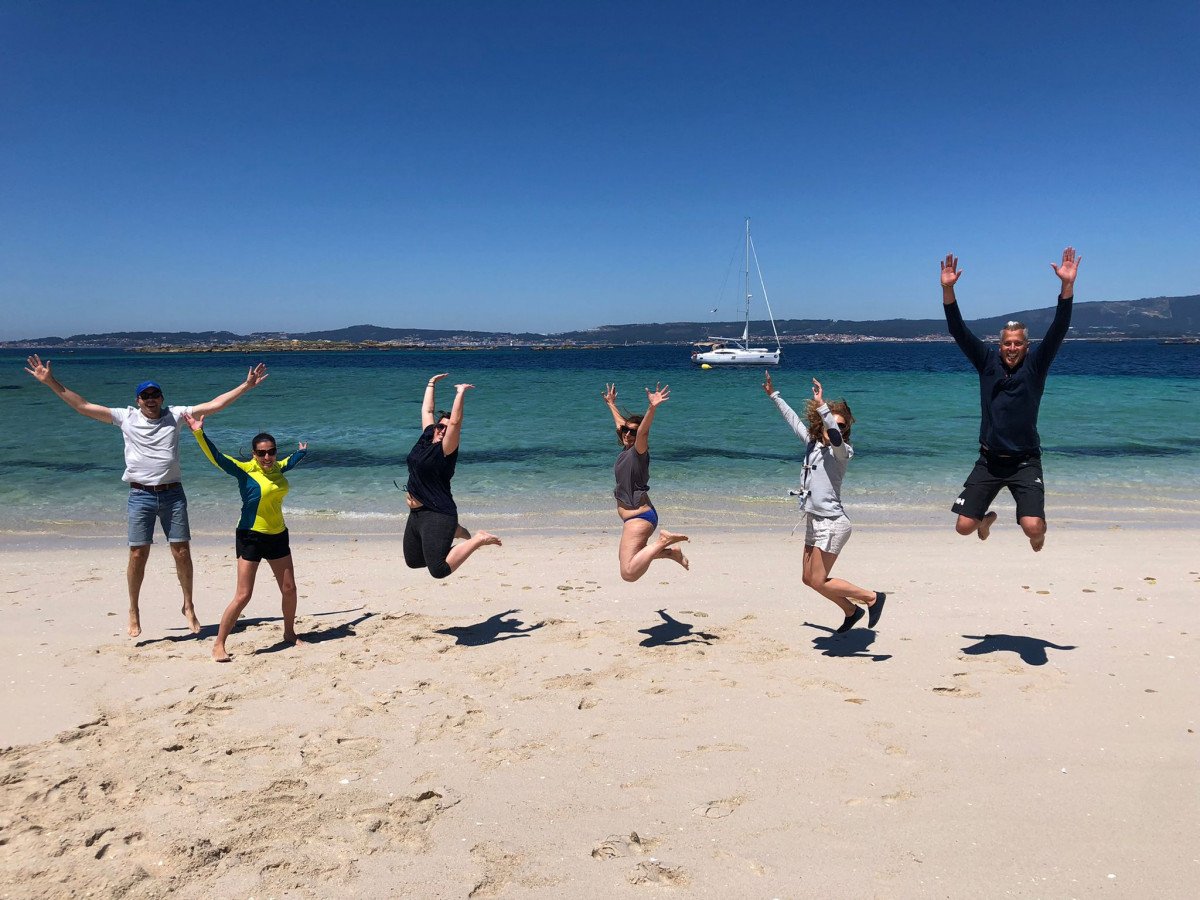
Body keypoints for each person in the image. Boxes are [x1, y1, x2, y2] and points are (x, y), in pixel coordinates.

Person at [23, 356, 268, 637]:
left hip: (173, 494)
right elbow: (84, 406)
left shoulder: (176, 415)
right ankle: (133, 610)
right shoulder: (125, 417)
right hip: (140, 495)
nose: (151, 399)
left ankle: (188, 605)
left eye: (155, 394)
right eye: (145, 396)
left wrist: (246, 386)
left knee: (182, 552)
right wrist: (50, 381)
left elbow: (214, 405)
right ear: (138, 400)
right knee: (138, 553)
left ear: (162, 397)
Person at [940, 247, 1080, 552]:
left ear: (1027, 347)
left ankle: (1039, 534)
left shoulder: (1036, 366)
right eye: (1007, 343)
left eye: (1018, 343)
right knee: (963, 527)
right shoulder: (986, 363)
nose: (1012, 348)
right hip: (989, 460)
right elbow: (958, 331)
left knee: (1032, 528)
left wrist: (1066, 286)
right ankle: (984, 520)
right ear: (999, 345)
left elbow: (1058, 329)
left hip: (1025, 461)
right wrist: (948, 289)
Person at [764, 371, 885, 632]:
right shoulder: (812, 443)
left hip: (833, 523)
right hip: (814, 520)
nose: (835, 429)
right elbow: (792, 420)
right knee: (808, 579)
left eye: (841, 426)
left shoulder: (843, 452)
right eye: (832, 424)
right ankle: (851, 611)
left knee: (819, 580)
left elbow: (838, 439)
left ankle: (872, 597)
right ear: (820, 426)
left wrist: (823, 408)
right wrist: (774, 395)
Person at [183, 414, 306, 662]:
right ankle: (219, 644)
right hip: (250, 535)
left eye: (271, 452)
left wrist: (301, 452)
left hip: (278, 535)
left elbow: (289, 462)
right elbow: (216, 458)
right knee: (243, 594)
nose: (267, 458)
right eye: (262, 453)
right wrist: (198, 432)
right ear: (253, 454)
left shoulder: (278, 467)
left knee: (290, 589)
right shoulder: (244, 471)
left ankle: (289, 634)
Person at [402, 374, 501, 578]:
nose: (442, 430)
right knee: (413, 561)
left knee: (438, 570)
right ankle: (454, 530)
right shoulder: (426, 439)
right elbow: (427, 410)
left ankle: (478, 539)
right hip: (417, 514)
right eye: (440, 426)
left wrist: (460, 392)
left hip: (437, 513)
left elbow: (455, 422)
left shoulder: (446, 449)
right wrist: (431, 383)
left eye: (446, 429)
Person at [601, 382, 689, 582]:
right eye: (626, 431)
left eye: (633, 432)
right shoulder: (626, 448)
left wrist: (652, 407)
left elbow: (642, 433)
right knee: (631, 558)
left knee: (629, 573)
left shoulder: (638, 451)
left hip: (639, 518)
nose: (628, 434)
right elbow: (620, 425)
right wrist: (611, 404)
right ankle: (671, 552)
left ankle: (663, 542)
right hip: (637, 517)